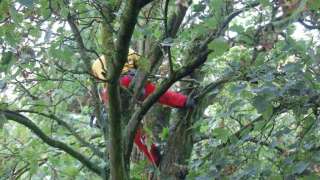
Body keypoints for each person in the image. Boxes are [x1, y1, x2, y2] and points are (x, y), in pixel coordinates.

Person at [91, 48, 193, 166]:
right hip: (128, 81)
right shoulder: (127, 50)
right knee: (158, 94)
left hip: (110, 93)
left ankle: (153, 154)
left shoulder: (95, 64)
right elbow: (145, 65)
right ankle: (185, 101)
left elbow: (98, 85)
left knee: (133, 129)